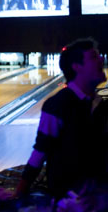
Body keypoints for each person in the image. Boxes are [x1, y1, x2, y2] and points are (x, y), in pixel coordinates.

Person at [12, 38, 108, 200]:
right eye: (93, 57)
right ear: (77, 67)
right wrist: (19, 192)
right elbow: (41, 150)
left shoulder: (101, 105)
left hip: (99, 193)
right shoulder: (57, 105)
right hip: (67, 198)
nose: (102, 59)